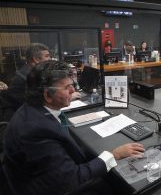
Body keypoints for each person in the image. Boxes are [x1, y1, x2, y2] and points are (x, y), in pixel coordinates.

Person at [3, 60, 145, 195]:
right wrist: (114, 154)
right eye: (67, 87)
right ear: (47, 95)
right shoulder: (36, 131)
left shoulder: (31, 109)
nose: (73, 90)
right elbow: (71, 180)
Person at [0, 43, 81, 122]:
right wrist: (68, 97)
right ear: (36, 59)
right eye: (47, 56)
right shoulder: (28, 77)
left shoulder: (28, 72)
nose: (50, 59)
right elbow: (41, 102)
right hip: (22, 120)